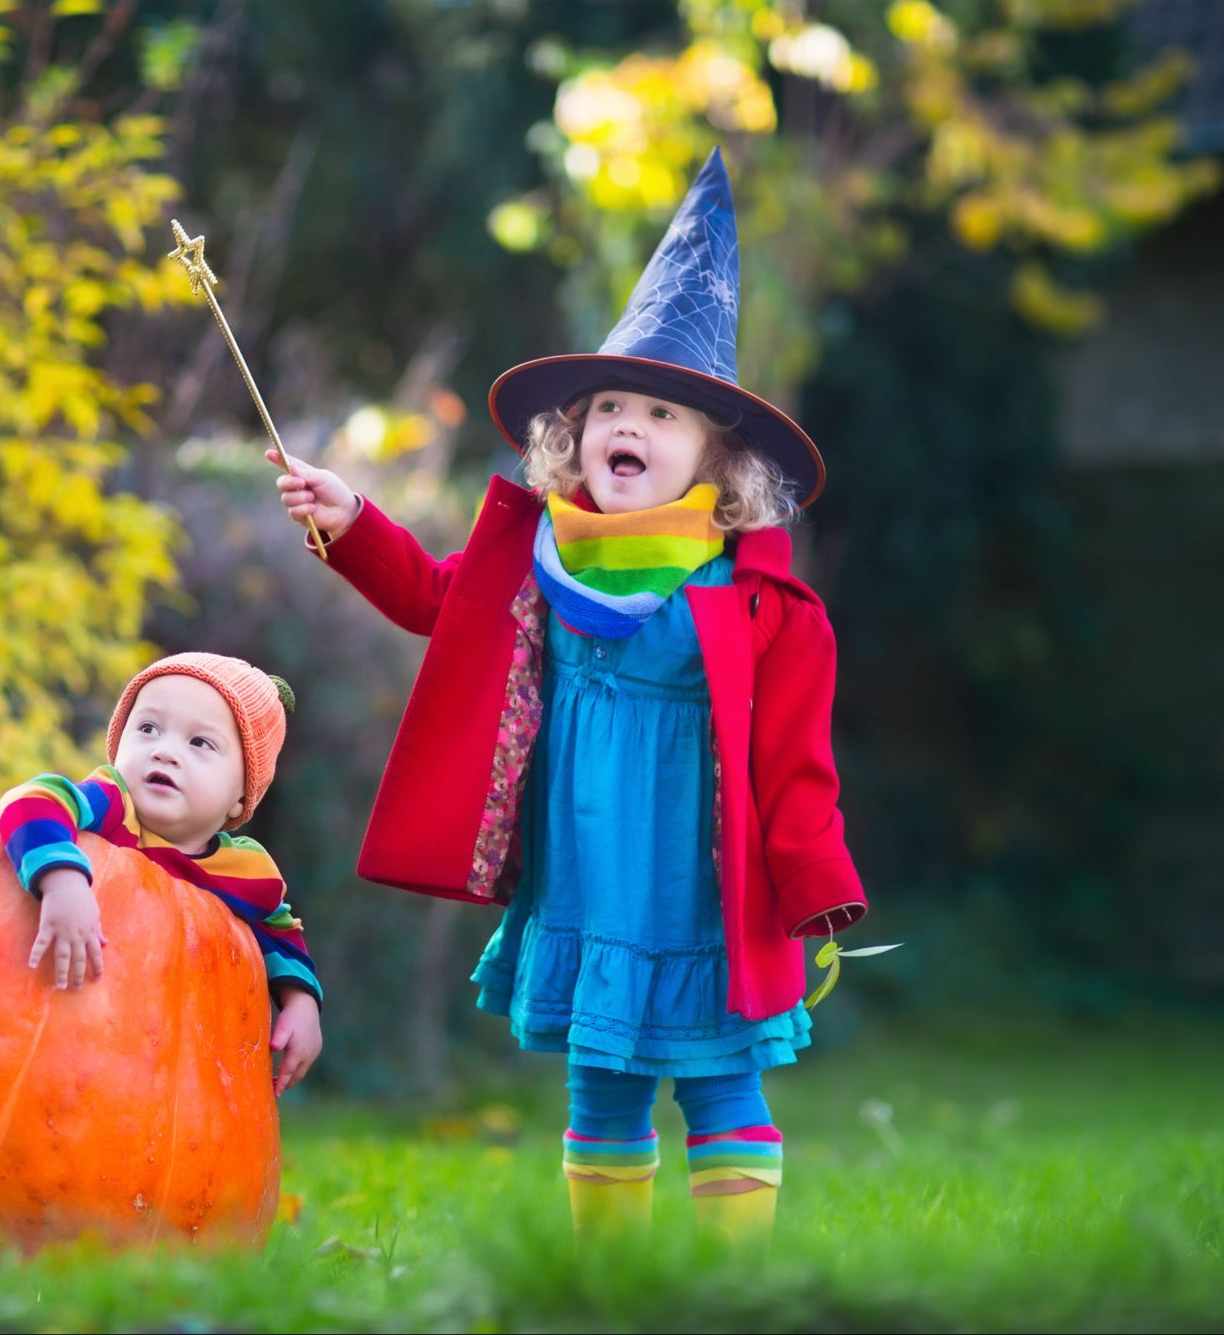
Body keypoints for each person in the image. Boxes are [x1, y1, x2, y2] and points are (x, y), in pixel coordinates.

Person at [272, 150, 866, 1239]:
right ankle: (613, 1281)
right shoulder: (542, 561)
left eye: (660, 415)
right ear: (574, 437)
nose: (626, 428)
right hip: (585, 871)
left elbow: (794, 761)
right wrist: (350, 521)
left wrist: (814, 883)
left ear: (713, 461)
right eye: (607, 410)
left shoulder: (758, 599)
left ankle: (732, 1285)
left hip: (696, 879)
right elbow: (432, 602)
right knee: (600, 1082)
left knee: (718, 1078)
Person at [0, 652, 323, 1096]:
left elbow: (280, 930)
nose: (164, 751)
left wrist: (301, 1002)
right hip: (61, 1023)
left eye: (200, 744)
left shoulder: (245, 872)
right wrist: (62, 878)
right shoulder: (112, 806)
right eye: (148, 729)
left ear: (238, 797)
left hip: (160, 1063)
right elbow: (31, 801)